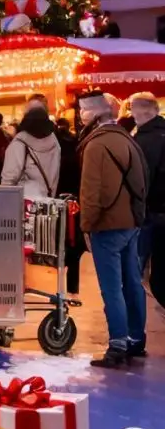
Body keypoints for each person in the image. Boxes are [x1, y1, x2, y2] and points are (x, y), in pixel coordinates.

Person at [78, 90, 149, 368]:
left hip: (106, 225)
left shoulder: (96, 146)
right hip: (130, 221)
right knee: (132, 281)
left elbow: (93, 192)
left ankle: (117, 343)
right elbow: (142, 182)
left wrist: (87, 224)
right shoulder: (127, 139)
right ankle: (135, 338)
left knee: (111, 287)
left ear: (93, 114)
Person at [130, 91, 165, 308]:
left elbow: (139, 179)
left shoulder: (141, 140)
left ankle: (135, 324)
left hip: (147, 213)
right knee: (162, 270)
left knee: (135, 269)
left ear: (142, 112)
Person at [2, 101, 60, 198]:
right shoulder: (54, 141)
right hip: (49, 200)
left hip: (25, 204)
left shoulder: (20, 142)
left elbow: (8, 179)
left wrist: (4, 201)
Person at [55, 116, 85, 298]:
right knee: (73, 247)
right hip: (75, 203)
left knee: (58, 245)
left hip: (57, 201)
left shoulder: (56, 156)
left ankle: (58, 288)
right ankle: (73, 289)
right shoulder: (78, 154)